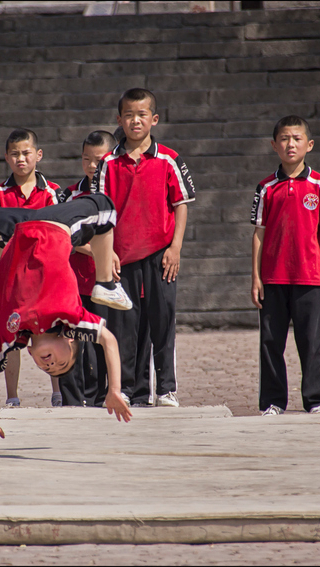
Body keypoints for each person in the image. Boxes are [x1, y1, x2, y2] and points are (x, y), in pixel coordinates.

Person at [0, 194, 133, 444]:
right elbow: (109, 341)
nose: (50, 366)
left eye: (47, 368)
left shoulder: (13, 333)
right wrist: (114, 391)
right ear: (69, 341)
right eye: (59, 363)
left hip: (18, 231)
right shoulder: (70, 319)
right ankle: (106, 284)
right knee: (106, 208)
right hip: (55, 224)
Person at [92, 88, 196, 408]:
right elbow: (101, 212)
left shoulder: (169, 159)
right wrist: (106, 252)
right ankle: (128, 389)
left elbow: (181, 204)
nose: (135, 121)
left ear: (154, 119)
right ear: (119, 119)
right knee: (124, 323)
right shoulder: (109, 164)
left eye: (141, 115)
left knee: (162, 320)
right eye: (128, 115)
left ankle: (165, 388)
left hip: (160, 254)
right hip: (122, 257)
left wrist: (175, 248)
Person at [250, 115, 320, 416]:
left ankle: (316, 401)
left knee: (312, 343)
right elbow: (258, 234)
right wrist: (256, 277)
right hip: (273, 278)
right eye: (285, 139)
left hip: (310, 277)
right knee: (271, 343)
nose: (291, 144)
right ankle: (273, 402)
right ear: (274, 145)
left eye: (297, 139)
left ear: (309, 145)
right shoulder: (265, 188)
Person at [0, 128, 61, 408]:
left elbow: (58, 230)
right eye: (15, 153)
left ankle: (58, 391)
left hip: (45, 276)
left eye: (26, 153)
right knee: (12, 336)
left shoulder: (52, 193)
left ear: (38, 155)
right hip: (13, 278)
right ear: (6, 157)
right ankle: (12, 397)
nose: (21, 159)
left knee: (51, 332)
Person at [59, 130, 117, 407]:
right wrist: (97, 250)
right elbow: (63, 234)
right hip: (75, 281)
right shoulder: (70, 194)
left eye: (99, 160)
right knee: (72, 338)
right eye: (86, 159)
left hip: (108, 282)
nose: (92, 166)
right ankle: (72, 399)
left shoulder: (117, 190)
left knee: (103, 340)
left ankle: (103, 396)